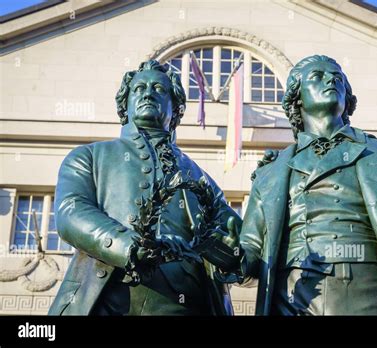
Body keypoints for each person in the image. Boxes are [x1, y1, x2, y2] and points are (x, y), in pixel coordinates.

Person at [220, 55, 377, 316]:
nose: (331, 79)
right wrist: (228, 251)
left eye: (338, 78)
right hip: (294, 298)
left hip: (370, 292)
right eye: (317, 76)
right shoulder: (271, 172)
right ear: (297, 99)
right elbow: (250, 257)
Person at [49, 60, 240, 315]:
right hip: (108, 300)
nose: (148, 93)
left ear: (176, 108)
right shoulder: (90, 157)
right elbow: (71, 213)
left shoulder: (202, 179)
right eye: (139, 89)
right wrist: (128, 245)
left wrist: (224, 248)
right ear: (124, 104)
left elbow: (236, 240)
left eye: (159, 90)